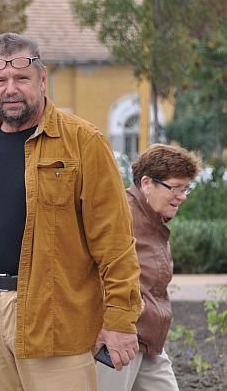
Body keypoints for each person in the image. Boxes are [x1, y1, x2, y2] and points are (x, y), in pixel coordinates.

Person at [0, 32, 142, 390]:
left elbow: (115, 242)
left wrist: (119, 320)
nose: (11, 89)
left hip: (57, 317)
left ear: (42, 79)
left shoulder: (83, 142)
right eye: (0, 81)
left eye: (21, 78)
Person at [97, 144, 200, 391]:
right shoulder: (121, 214)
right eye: (175, 187)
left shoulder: (154, 220)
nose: (183, 196)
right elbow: (93, 272)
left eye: (186, 188)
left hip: (148, 342)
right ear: (147, 183)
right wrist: (111, 325)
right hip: (118, 340)